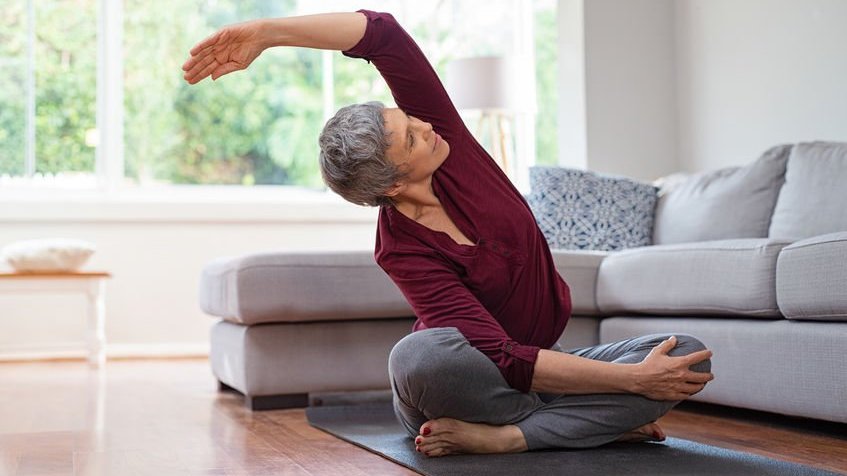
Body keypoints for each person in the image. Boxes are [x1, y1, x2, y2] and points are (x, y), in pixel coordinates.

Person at [182, 9, 715, 458]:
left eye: (413, 120)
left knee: (686, 353)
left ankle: (514, 435)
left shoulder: (450, 145)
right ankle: (578, 424)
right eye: (411, 138)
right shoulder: (399, 249)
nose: (428, 126)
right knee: (417, 357)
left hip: (533, 377)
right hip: (469, 383)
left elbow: (382, 34)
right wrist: (632, 385)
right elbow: (501, 357)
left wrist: (268, 33)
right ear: (391, 183)